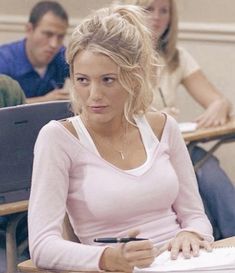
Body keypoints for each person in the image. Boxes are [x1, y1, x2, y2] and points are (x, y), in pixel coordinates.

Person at [28, 5, 215, 272]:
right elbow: (42, 246)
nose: (93, 95)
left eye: (108, 80)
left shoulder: (164, 127)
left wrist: (193, 235)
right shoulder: (57, 138)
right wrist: (106, 258)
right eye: (82, 80)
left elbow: (196, 216)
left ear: (134, 78)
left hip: (185, 264)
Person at [120, 0, 235, 241]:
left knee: (212, 175)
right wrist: (156, 120)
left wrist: (219, 105)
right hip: (137, 153)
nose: (158, 17)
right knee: (197, 197)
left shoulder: (175, 57)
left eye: (165, 11)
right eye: (149, 9)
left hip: (178, 146)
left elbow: (217, 100)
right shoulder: (118, 57)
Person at [0, 1, 70, 104]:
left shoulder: (61, 56)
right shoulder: (4, 60)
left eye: (60, 37)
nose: (54, 44)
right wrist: (45, 101)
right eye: (48, 34)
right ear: (29, 30)